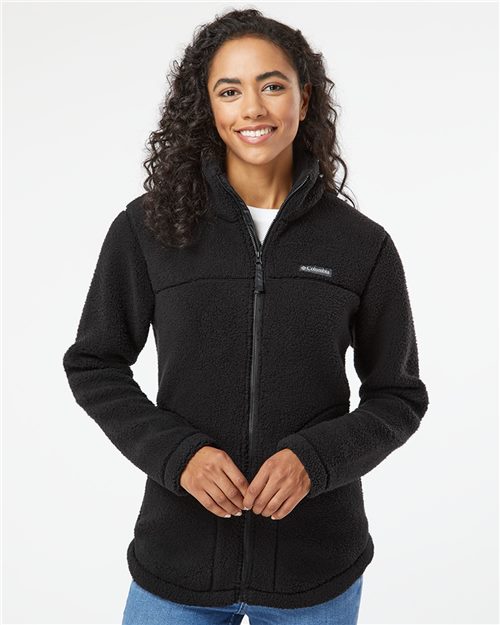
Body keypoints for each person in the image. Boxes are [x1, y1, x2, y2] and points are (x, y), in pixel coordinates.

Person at [62, 8, 429, 625]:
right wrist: (179, 456)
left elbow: (399, 395)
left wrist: (316, 460)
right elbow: (94, 364)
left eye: (272, 85)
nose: (253, 108)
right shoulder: (148, 229)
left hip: (317, 568)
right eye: (229, 91)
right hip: (176, 562)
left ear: (304, 99)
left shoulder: (361, 245)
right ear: (207, 107)